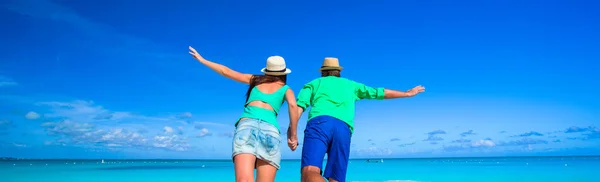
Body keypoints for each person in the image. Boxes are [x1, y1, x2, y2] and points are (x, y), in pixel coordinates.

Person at [291, 57, 426, 182]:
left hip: (320, 124)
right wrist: (407, 93)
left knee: (310, 171)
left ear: (323, 72)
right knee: (335, 177)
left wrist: (292, 133)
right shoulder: (351, 85)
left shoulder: (313, 84)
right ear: (338, 72)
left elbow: (298, 108)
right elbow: (378, 92)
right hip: (343, 128)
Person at [188, 46, 300, 182]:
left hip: (247, 126)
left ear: (267, 71)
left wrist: (203, 60)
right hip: (270, 130)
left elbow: (226, 71)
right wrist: (293, 135)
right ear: (284, 73)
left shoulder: (255, 80)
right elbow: (293, 106)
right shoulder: (286, 89)